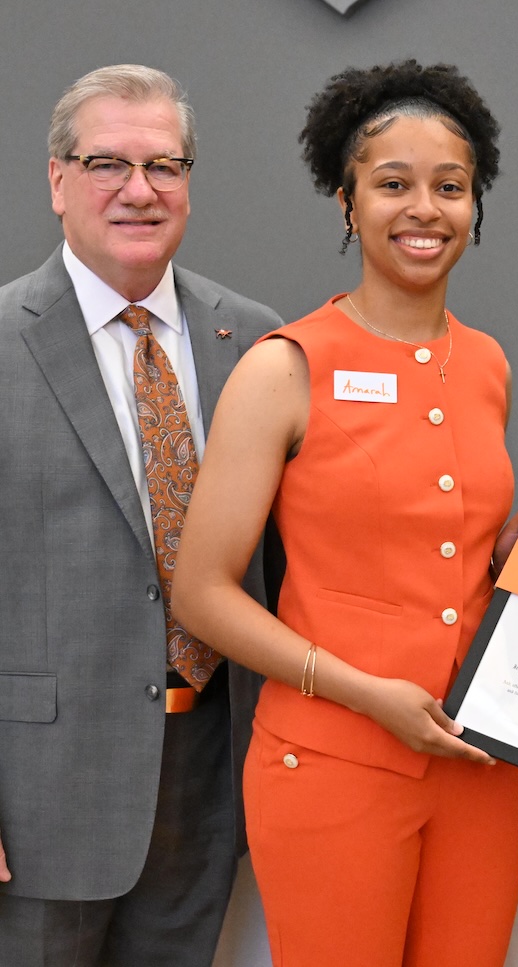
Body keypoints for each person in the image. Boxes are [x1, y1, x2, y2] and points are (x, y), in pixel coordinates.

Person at [173, 60, 518, 967]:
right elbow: (200, 592)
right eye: (392, 185)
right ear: (346, 203)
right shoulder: (285, 366)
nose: (425, 209)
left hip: (480, 768)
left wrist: (515, 555)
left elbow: (437, 545)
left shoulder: (488, 363)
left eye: (450, 187)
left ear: (476, 204)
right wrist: (366, 694)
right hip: (333, 761)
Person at [0, 64, 283, 966]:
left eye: (165, 165)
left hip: (208, 782)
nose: (138, 190)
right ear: (56, 180)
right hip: (41, 800)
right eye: (106, 164)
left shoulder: (253, 339)